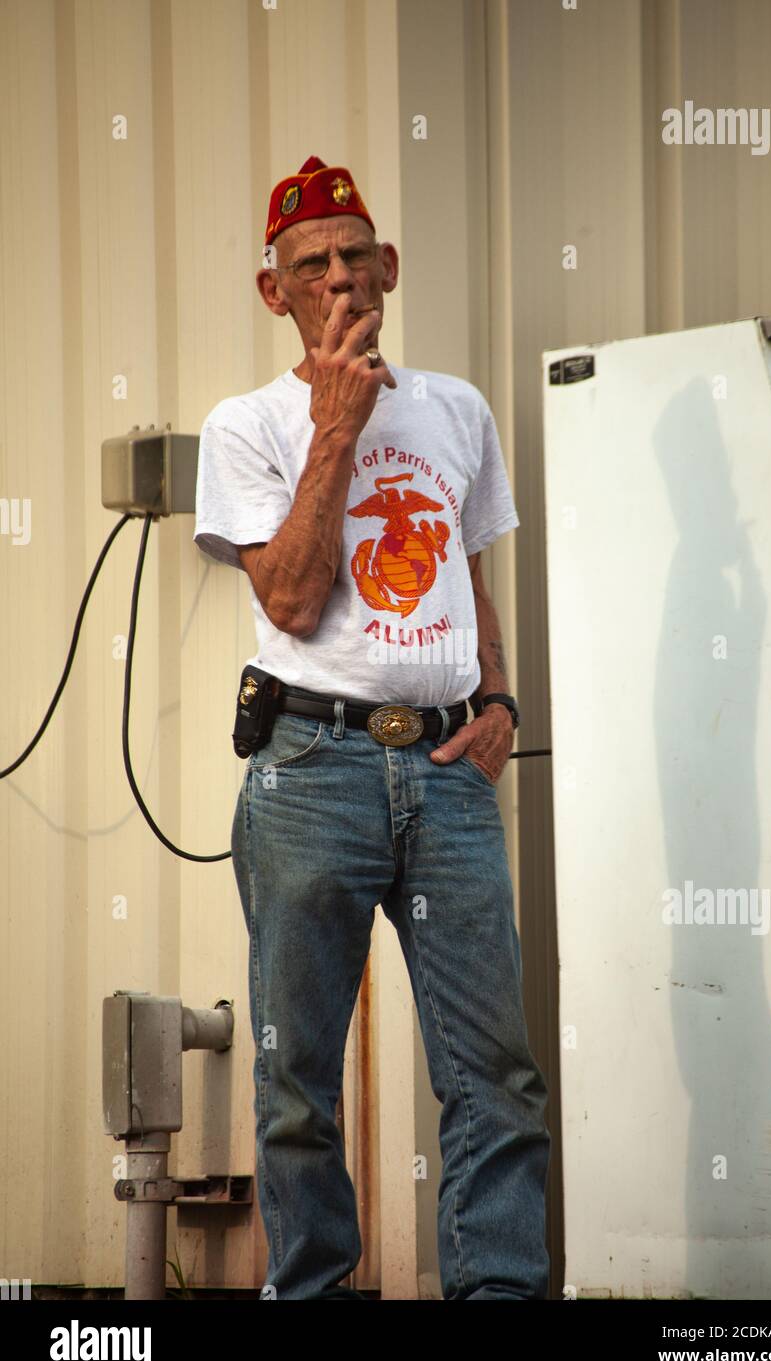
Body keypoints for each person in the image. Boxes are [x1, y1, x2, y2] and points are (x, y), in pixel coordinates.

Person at [193, 155, 551, 1300]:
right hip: (313, 768)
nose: (340, 279)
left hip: (446, 769)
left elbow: (469, 573)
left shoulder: (457, 408)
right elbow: (291, 599)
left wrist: (497, 699)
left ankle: (495, 1291)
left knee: (493, 1069)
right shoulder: (246, 426)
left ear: (388, 266)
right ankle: (311, 1290)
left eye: (356, 256)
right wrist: (335, 426)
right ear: (276, 293)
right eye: (312, 266)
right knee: (299, 1079)